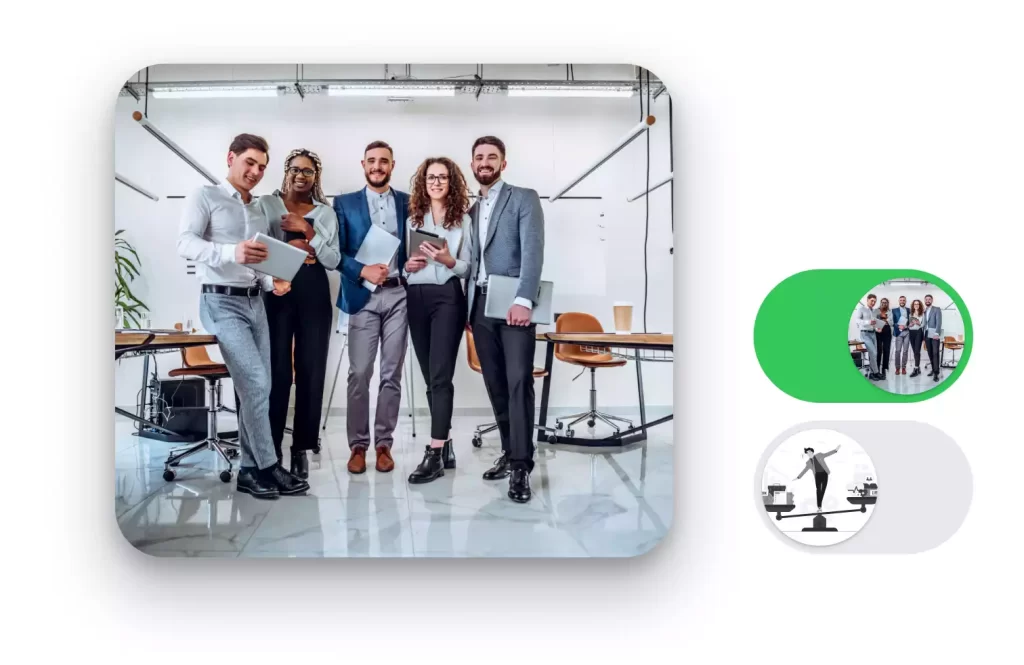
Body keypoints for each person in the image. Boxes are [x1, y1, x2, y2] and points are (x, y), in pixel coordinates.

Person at [176, 133, 309, 499]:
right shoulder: (205, 196)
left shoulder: (256, 210)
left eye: (262, 167)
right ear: (230, 158)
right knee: (256, 382)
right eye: (250, 162)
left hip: (255, 302)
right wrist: (230, 251)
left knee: (259, 384)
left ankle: (251, 470)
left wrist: (272, 282)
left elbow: (258, 261)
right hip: (220, 301)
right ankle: (267, 465)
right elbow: (185, 242)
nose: (255, 171)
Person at [465, 136, 545, 503]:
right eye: (479, 157)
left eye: (491, 157)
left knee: (517, 383)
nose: (485, 162)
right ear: (472, 164)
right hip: (480, 306)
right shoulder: (470, 210)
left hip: (514, 306)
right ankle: (510, 452)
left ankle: (521, 467)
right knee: (496, 384)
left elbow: (532, 250)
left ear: (503, 163)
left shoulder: (523, 197)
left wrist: (524, 299)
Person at [258, 149, 341, 479]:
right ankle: (272, 447)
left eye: (308, 171)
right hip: (277, 285)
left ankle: (302, 447)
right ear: (286, 171)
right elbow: (258, 246)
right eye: (295, 169)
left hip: (313, 288)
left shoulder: (325, 213)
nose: (301, 175)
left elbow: (332, 259)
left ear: (316, 177)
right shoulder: (267, 204)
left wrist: (307, 232)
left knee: (311, 367)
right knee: (277, 370)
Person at [335, 141, 411, 474]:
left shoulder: (409, 202)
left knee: (391, 372)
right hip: (362, 295)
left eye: (384, 161)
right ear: (363, 164)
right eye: (372, 161)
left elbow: (417, 242)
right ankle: (358, 445)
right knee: (360, 372)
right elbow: (336, 253)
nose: (377, 166)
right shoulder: (344, 203)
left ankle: (383, 444)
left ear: (393, 165)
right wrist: (361, 270)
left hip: (399, 295)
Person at [403, 157, 473, 484]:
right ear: (423, 182)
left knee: (441, 376)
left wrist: (448, 260)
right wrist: (409, 267)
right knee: (430, 377)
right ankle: (445, 444)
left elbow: (468, 268)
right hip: (416, 298)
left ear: (451, 182)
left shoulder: (463, 220)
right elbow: (406, 264)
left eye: (442, 177)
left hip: (448, 297)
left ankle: (433, 454)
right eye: (431, 177)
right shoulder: (413, 219)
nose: (436, 182)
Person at [794, 444, 841, 512]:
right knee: (818, 490)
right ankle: (819, 507)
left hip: (825, 474)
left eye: (809, 452)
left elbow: (827, 454)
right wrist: (798, 477)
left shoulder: (819, 455)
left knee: (823, 490)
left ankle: (819, 506)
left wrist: (835, 450)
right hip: (817, 476)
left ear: (812, 452)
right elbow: (804, 470)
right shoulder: (808, 463)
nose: (809, 454)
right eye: (807, 453)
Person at [855, 294, 882, 381]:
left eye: (875, 301)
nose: (873, 303)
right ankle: (872, 373)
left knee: (875, 353)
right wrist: (868, 321)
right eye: (872, 301)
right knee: (873, 353)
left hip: (873, 333)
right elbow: (857, 321)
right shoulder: (861, 309)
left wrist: (877, 328)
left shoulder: (875, 311)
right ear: (867, 300)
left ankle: (876, 372)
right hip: (865, 334)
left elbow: (874, 323)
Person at [923, 294, 943, 382]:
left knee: (935, 353)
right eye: (926, 299)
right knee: (930, 353)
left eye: (929, 299)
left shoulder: (937, 309)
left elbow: (939, 322)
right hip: (926, 333)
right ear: (924, 301)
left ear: (932, 300)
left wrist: (937, 333)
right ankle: (933, 369)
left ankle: (936, 373)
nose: (927, 300)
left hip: (934, 334)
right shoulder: (924, 310)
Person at [891, 295, 911, 375]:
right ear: (899, 301)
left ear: (905, 301)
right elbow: (892, 322)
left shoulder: (909, 310)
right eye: (901, 300)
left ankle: (903, 368)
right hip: (899, 332)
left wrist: (907, 326)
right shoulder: (894, 310)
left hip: (907, 332)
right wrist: (898, 326)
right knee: (898, 351)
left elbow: (911, 321)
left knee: (905, 351)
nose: (902, 301)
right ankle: (897, 368)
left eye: (903, 300)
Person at [874, 297, 892, 379]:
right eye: (882, 302)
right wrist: (877, 327)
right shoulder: (876, 311)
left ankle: (884, 369)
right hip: (878, 331)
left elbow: (892, 322)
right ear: (880, 303)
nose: (884, 304)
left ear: (887, 303)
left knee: (886, 350)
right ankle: (876, 369)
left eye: (885, 302)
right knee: (878, 350)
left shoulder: (890, 311)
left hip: (887, 331)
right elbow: (873, 321)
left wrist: (886, 320)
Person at [907, 299, 925, 377]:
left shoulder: (922, 314)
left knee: (917, 351)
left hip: (918, 332)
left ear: (920, 305)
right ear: (913, 305)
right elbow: (908, 324)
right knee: (915, 351)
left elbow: (923, 324)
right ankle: (918, 367)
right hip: (911, 332)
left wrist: (918, 323)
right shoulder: (910, 313)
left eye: (917, 304)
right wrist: (909, 325)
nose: (916, 305)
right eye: (915, 304)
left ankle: (916, 369)